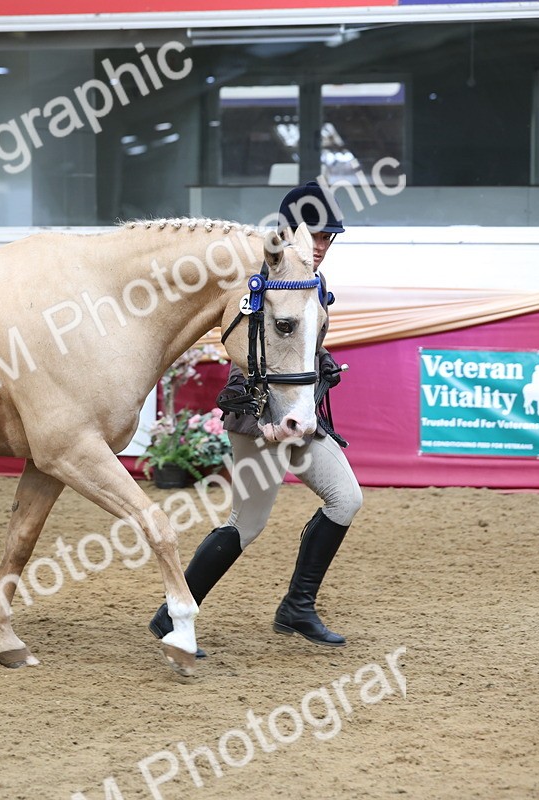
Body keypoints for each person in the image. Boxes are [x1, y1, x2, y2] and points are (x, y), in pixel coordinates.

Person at [148, 181, 362, 654]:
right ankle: (171, 614)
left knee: (346, 499)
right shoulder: (257, 279)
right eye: (317, 235)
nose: (323, 246)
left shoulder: (314, 283)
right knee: (248, 523)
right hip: (256, 416)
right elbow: (244, 355)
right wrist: (258, 414)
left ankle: (297, 608)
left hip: (301, 415)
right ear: (290, 233)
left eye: (330, 238)